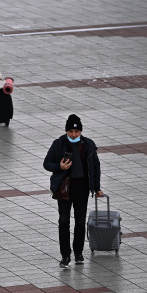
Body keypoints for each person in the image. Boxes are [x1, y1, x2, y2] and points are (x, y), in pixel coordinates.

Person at [43, 114, 104, 268]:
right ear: (67, 131)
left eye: (76, 132)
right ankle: (65, 255)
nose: (74, 134)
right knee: (63, 222)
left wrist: (96, 188)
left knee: (79, 222)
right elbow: (47, 163)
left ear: (81, 131)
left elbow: (95, 168)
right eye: (70, 131)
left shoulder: (89, 145)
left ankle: (78, 253)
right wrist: (60, 167)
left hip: (82, 189)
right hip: (64, 189)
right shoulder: (59, 144)